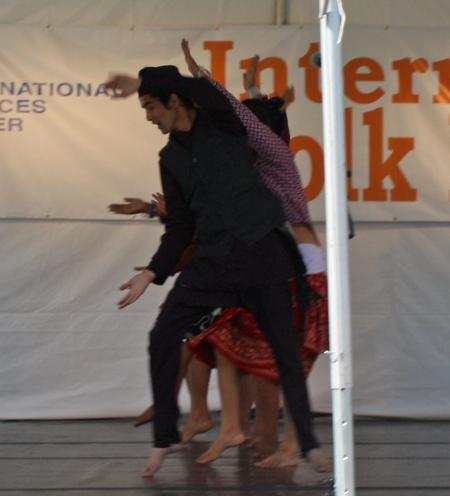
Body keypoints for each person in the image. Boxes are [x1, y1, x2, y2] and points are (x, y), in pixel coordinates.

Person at [106, 60, 330, 478]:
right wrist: (152, 273)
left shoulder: (223, 124)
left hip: (263, 256)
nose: (150, 118)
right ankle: (165, 436)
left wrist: (142, 82)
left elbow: (208, 91)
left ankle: (309, 443)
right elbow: (181, 229)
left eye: (152, 106)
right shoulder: (169, 157)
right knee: (163, 337)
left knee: (286, 352)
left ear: (174, 100)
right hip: (212, 264)